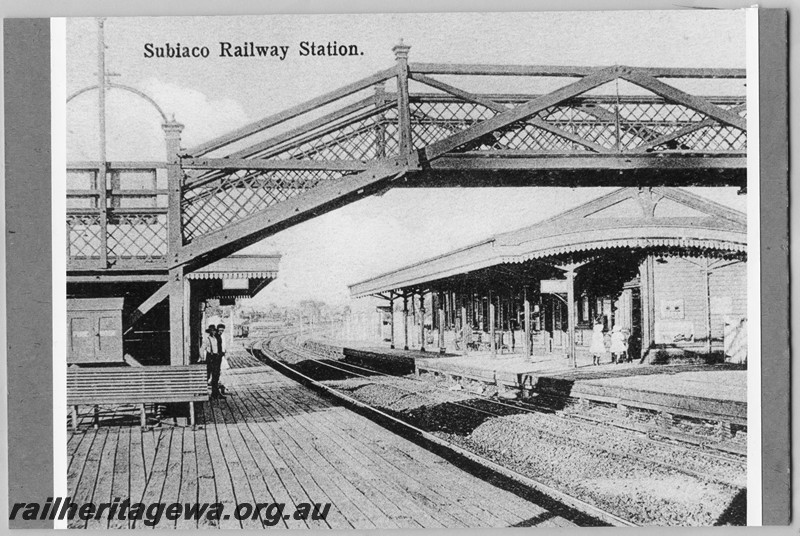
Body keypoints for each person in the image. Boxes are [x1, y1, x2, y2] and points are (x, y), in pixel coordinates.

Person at [202, 324, 224, 399]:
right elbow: (202, 349)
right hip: (210, 358)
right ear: (209, 332)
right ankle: (204, 393)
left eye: (214, 331)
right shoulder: (207, 339)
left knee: (216, 375)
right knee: (208, 375)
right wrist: (202, 358)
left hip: (216, 358)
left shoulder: (216, 338)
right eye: (212, 331)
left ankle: (215, 393)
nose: (213, 332)